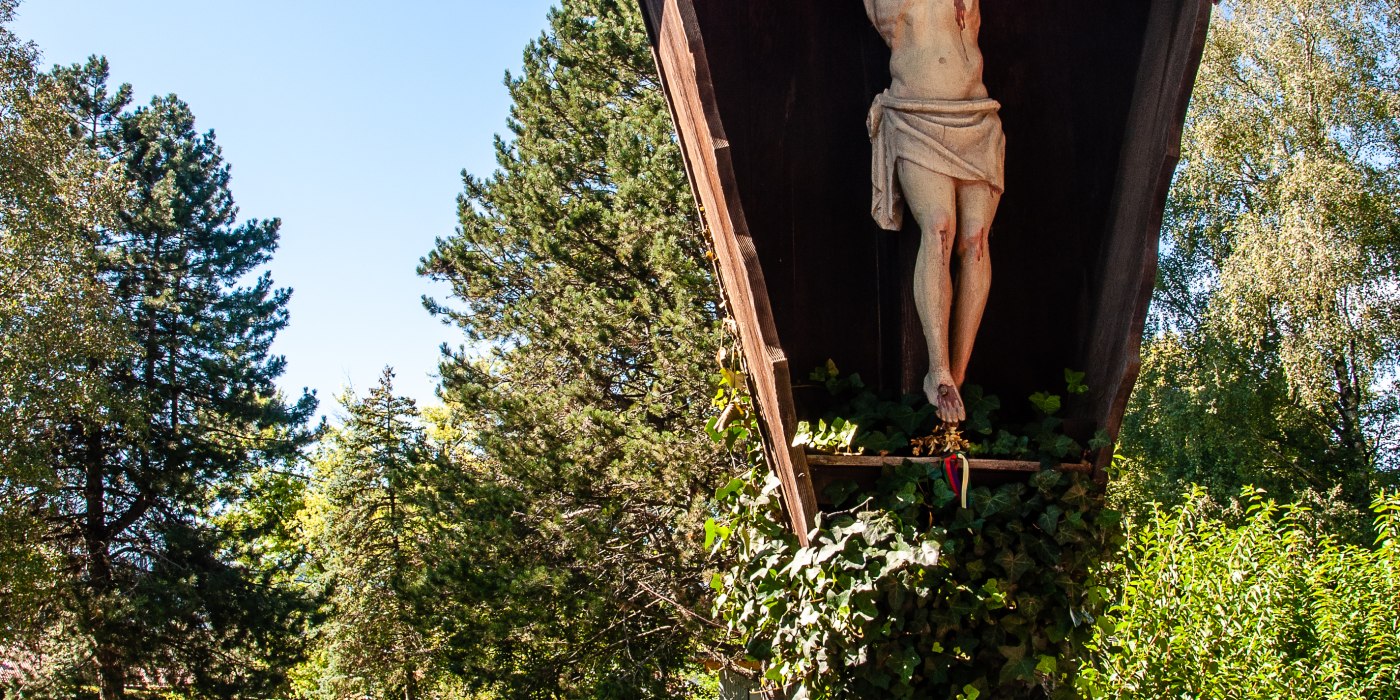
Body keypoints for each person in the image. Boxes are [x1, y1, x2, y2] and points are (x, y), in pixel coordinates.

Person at [865, 0, 1005, 423]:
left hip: (976, 116)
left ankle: (956, 375)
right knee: (939, 226)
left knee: (976, 238)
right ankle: (937, 369)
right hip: (916, 114)